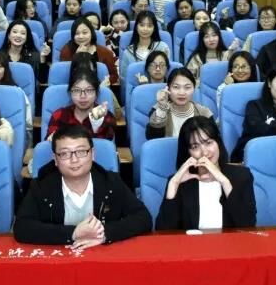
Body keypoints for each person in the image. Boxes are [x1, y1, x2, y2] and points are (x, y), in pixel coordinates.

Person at [14, 125, 151, 247]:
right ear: (55, 159)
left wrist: (104, 234)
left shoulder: (111, 182)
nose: (74, 160)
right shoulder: (42, 186)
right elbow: (22, 228)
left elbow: (143, 218)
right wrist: (73, 233)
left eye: (81, 152)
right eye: (64, 154)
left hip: (101, 256)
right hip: (59, 259)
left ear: (92, 154)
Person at [156, 116, 255, 230]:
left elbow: (248, 226)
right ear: (188, 152)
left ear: (218, 142)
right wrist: (173, 184)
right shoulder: (180, 181)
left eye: (208, 143)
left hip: (229, 241)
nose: (204, 152)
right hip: (192, 242)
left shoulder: (241, 176)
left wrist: (224, 182)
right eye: (195, 147)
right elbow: (163, 232)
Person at [46, 67, 115, 141]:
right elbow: (49, 145)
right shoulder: (59, 116)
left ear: (96, 93)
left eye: (89, 90)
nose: (83, 96)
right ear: (70, 92)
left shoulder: (106, 116)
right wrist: (51, 140)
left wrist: (96, 125)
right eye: (76, 90)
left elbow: (104, 146)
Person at [147, 68, 213, 140]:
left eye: (187, 87)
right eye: (176, 87)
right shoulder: (158, 111)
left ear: (194, 89)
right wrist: (162, 109)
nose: (181, 93)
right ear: (168, 89)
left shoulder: (204, 113)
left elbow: (213, 140)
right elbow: (152, 138)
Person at [59, 19, 118, 84]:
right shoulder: (66, 51)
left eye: (85, 33)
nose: (81, 36)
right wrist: (77, 57)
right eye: (77, 33)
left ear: (91, 33)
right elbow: (64, 76)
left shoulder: (105, 52)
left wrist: (105, 82)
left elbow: (114, 75)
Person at [118, 11, 169, 79]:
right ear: (136, 27)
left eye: (149, 26)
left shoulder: (163, 47)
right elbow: (124, 79)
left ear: (154, 28)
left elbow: (167, 74)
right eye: (142, 25)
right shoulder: (128, 52)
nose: (145, 29)